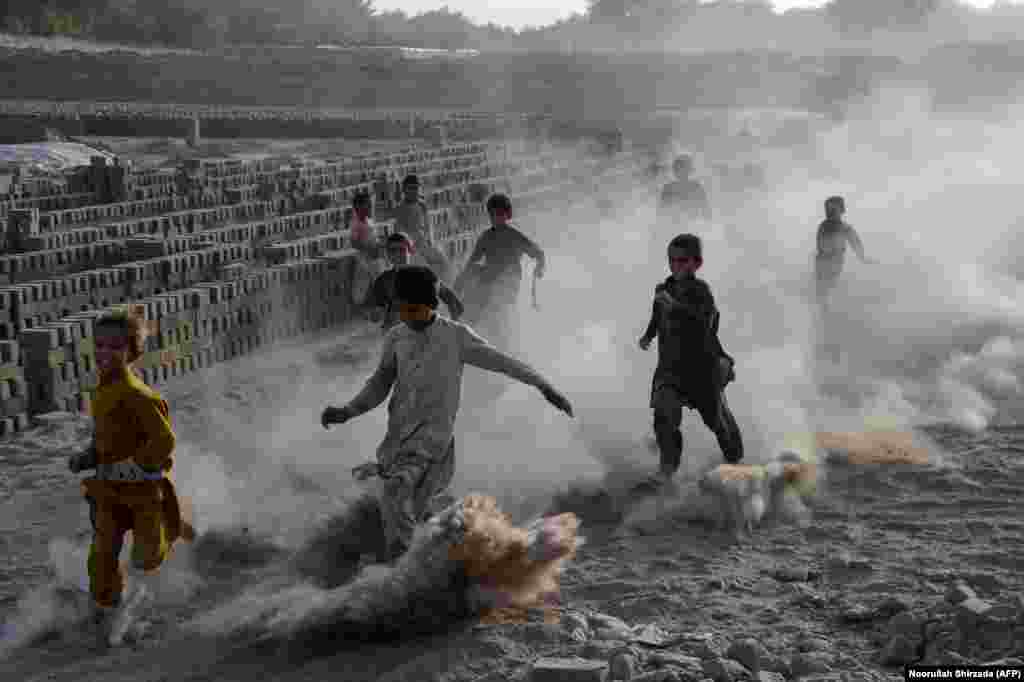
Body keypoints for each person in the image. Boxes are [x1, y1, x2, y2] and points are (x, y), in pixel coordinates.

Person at [315, 265, 573, 586]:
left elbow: (504, 363)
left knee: (395, 493)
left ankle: (401, 579)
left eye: (414, 309)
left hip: (433, 444)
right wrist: (348, 410)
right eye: (400, 309)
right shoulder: (396, 337)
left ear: (432, 305)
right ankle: (458, 551)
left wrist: (544, 386)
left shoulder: (455, 337)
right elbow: (380, 382)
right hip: (398, 441)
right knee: (411, 509)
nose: (406, 316)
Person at [66, 307, 192, 648]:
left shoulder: (140, 395)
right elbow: (104, 436)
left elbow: (165, 440)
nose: (105, 353)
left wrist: (138, 465)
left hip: (143, 492)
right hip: (108, 493)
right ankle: (109, 609)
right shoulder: (102, 392)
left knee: (146, 557)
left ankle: (171, 526)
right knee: (102, 557)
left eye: (115, 347)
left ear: (132, 350)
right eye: (100, 346)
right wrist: (86, 457)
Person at [637, 234, 743, 488]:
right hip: (670, 368)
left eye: (682, 261)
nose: (676, 266)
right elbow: (657, 316)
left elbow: (706, 324)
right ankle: (666, 469)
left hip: (701, 368)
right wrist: (648, 335)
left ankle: (735, 462)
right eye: (671, 260)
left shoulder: (701, 292)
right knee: (664, 412)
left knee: (717, 421)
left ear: (697, 263)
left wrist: (676, 307)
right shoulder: (663, 289)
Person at [453, 193, 545, 338]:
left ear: (508, 215)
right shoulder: (486, 237)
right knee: (472, 297)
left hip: (509, 282)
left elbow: (539, 253)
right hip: (489, 279)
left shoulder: (514, 236)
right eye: (493, 215)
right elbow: (472, 262)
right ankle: (467, 329)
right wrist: (460, 280)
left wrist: (540, 267)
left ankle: (498, 334)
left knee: (494, 306)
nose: (496, 218)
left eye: (500, 214)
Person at [368, 231, 464, 330]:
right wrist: (376, 314)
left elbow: (452, 300)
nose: (397, 254)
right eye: (393, 250)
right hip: (397, 334)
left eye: (401, 250)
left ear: (410, 251)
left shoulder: (425, 274)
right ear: (388, 254)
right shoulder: (382, 280)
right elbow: (375, 314)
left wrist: (454, 326)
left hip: (425, 331)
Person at [814, 196, 875, 304]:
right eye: (829, 210)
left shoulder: (840, 227)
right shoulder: (831, 227)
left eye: (833, 210)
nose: (830, 212)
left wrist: (862, 257)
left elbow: (855, 242)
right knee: (824, 293)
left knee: (826, 292)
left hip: (830, 265)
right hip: (826, 265)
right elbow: (855, 242)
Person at [393, 174, 453, 282]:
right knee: (426, 272)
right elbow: (398, 233)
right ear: (404, 190)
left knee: (444, 263)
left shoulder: (422, 205)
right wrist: (411, 246)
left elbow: (428, 227)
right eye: (411, 188)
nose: (414, 191)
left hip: (423, 244)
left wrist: (430, 241)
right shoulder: (399, 209)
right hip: (410, 249)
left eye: (416, 188)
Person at [659, 155, 711, 222]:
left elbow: (706, 211)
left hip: (689, 224)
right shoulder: (668, 189)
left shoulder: (696, 187)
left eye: (683, 168)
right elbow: (661, 212)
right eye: (678, 169)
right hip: (677, 225)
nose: (681, 171)